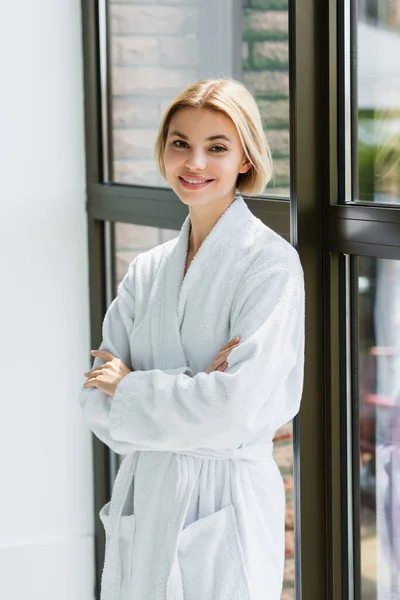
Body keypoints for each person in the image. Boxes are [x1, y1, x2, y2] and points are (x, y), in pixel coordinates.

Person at [79, 78, 305, 600]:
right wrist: (198, 388)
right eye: (180, 143)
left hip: (227, 500)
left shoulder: (269, 264)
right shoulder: (147, 269)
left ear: (245, 159)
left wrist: (133, 387)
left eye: (217, 148)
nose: (194, 162)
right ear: (163, 150)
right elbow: (94, 403)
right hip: (150, 492)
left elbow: (238, 411)